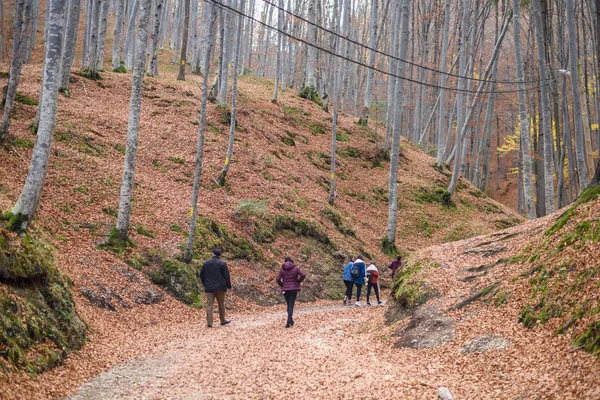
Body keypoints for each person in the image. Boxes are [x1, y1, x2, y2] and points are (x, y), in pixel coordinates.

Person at [199, 249, 232, 328]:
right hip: (221, 287)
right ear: (219, 255)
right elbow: (226, 276)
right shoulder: (222, 263)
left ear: (213, 254)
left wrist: (205, 284)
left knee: (209, 305)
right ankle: (222, 320)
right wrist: (229, 285)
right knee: (221, 304)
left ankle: (209, 323)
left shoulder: (206, 263)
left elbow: (201, 275)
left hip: (209, 287)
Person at [276, 257, 306, 328]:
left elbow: (277, 279)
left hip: (285, 289)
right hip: (293, 289)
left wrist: (282, 285)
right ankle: (288, 321)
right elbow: (303, 275)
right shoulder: (295, 268)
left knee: (288, 304)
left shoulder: (282, 270)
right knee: (291, 305)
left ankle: (291, 321)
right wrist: (297, 282)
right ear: (292, 261)